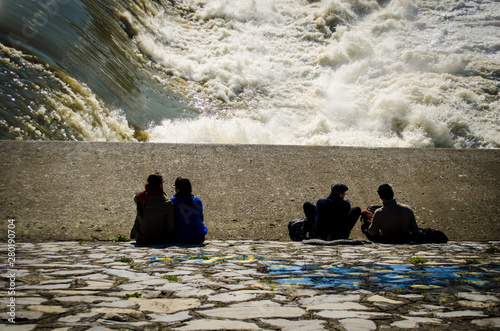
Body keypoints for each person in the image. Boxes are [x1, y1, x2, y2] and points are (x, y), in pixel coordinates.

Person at [130, 173, 176, 245]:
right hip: (160, 239)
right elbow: (170, 227)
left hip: (142, 238)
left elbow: (135, 195)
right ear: (160, 185)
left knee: (140, 211)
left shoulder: (139, 198)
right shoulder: (167, 203)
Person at [170, 177, 207, 245]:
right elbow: (200, 215)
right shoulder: (197, 201)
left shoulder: (172, 201)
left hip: (180, 236)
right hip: (198, 235)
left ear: (177, 189)